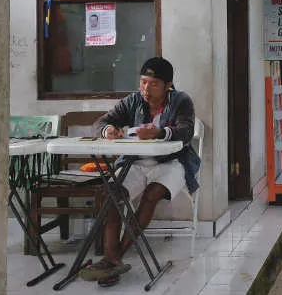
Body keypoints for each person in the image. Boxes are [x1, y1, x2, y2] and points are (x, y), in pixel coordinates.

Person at [79, 57, 200, 284]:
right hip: (135, 163)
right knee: (111, 194)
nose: (146, 88)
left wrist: (159, 132)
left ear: (168, 85)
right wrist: (108, 131)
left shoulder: (182, 101)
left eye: (153, 84)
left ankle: (115, 257)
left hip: (171, 163)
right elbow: (101, 122)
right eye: (143, 82)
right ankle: (111, 259)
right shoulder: (133, 101)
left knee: (152, 194)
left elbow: (185, 131)